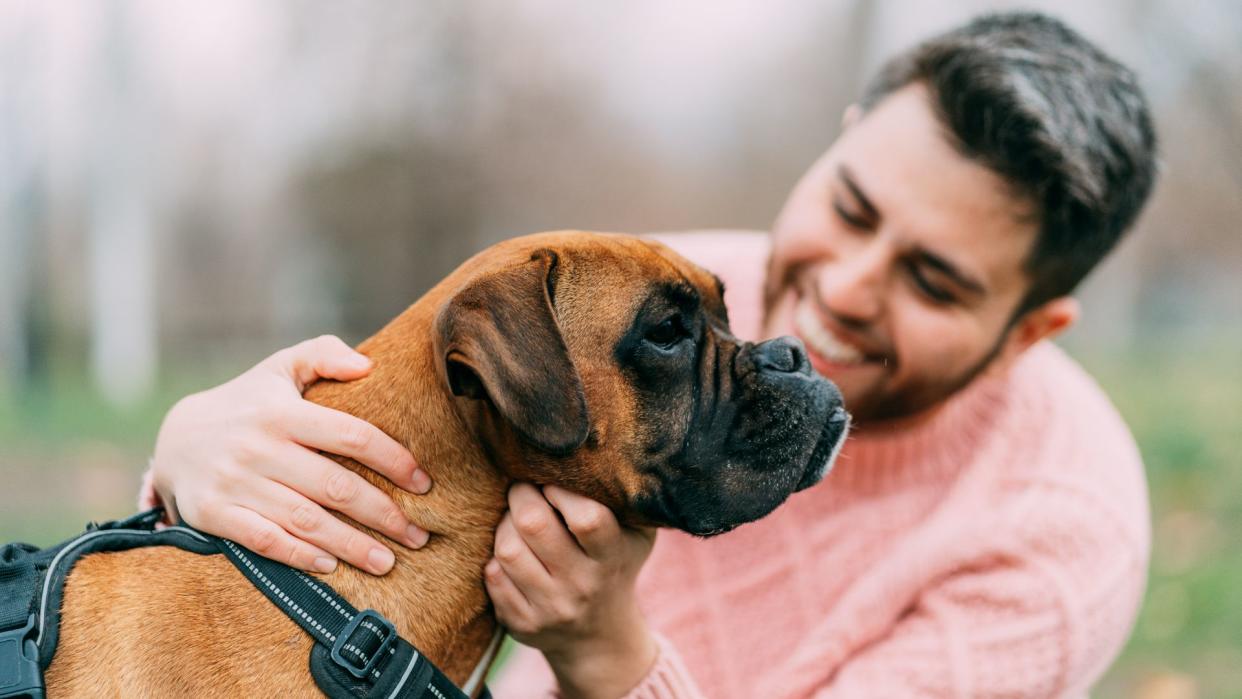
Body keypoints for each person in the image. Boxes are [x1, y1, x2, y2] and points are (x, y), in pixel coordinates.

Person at [141, 11, 1158, 698]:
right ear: (837, 142)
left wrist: (608, 654)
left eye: (932, 280)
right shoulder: (674, 295)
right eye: (851, 207)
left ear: (1031, 330)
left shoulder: (1060, 541)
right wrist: (196, 447)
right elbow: (407, 425)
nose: (842, 288)